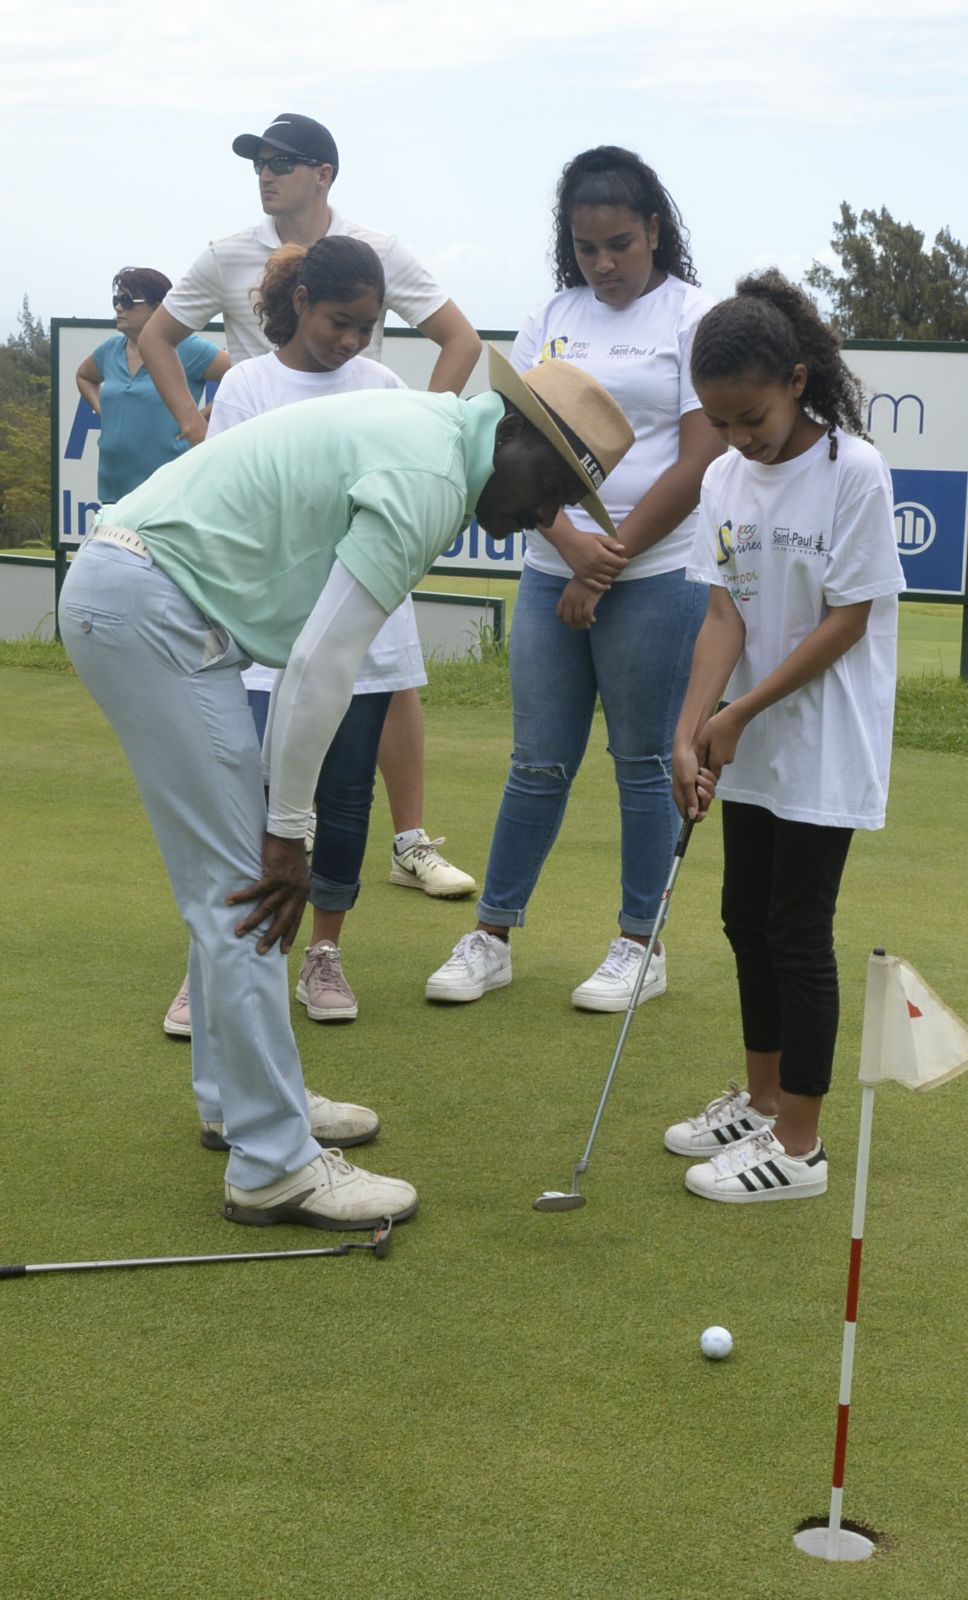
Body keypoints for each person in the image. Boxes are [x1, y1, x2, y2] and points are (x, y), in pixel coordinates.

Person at [58, 348, 633, 1231]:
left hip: (140, 594)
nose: (542, 515)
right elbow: (323, 666)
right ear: (510, 430)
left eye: (565, 501)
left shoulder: (438, 440)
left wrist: (282, 828)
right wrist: (290, 833)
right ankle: (273, 1164)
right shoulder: (430, 473)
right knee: (247, 888)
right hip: (151, 606)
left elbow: (319, 661)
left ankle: (244, 1101)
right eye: (549, 483)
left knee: (231, 884)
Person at [425, 146, 722, 1012]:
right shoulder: (550, 314)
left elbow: (701, 458)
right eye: (587, 247)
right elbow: (512, 447)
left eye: (621, 244)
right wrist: (569, 541)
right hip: (554, 564)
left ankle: (639, 944)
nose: (604, 263)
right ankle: (492, 933)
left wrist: (610, 556)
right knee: (537, 762)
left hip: (659, 576)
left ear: (656, 230)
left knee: (640, 763)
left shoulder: (692, 317)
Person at [666, 269, 905, 1204]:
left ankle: (798, 1148)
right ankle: (763, 1101)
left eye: (752, 418)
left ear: (796, 381)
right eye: (720, 422)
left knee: (798, 930)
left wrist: (737, 715)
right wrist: (691, 730)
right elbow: (724, 614)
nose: (738, 439)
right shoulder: (726, 477)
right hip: (750, 739)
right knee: (743, 917)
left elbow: (845, 619)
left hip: (822, 742)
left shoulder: (857, 470)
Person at [174, 235, 443, 1033]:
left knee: (346, 802)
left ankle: (323, 954)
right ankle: (217, 959)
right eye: (339, 323)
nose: (352, 342)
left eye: (366, 327)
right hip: (266, 640)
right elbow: (240, 512)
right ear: (299, 303)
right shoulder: (249, 386)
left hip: (366, 634)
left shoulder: (386, 385)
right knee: (247, 806)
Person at [75, 268, 229, 503]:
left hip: (167, 496)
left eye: (127, 301)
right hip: (112, 495)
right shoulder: (110, 350)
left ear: (158, 308)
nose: (118, 308)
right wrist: (101, 410)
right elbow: (84, 376)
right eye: (116, 300)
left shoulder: (188, 349)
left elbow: (243, 376)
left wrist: (201, 417)